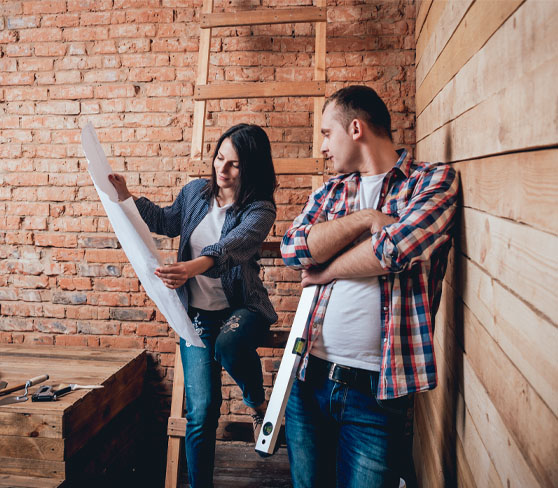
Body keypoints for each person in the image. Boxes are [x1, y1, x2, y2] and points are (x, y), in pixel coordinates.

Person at [280, 85, 458, 488]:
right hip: (309, 381)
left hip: (378, 393)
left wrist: (327, 271)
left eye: (327, 133)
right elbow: (293, 249)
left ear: (355, 128)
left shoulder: (432, 181)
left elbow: (396, 249)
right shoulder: (331, 192)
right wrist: (363, 220)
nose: (323, 146)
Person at [109, 124, 278, 488]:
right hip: (197, 315)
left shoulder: (260, 209)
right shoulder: (194, 194)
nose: (223, 169)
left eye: (234, 164)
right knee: (201, 412)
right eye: (220, 158)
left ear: (251, 168)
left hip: (241, 308)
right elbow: (165, 221)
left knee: (229, 344)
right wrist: (126, 196)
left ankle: (255, 401)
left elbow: (231, 247)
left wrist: (190, 267)